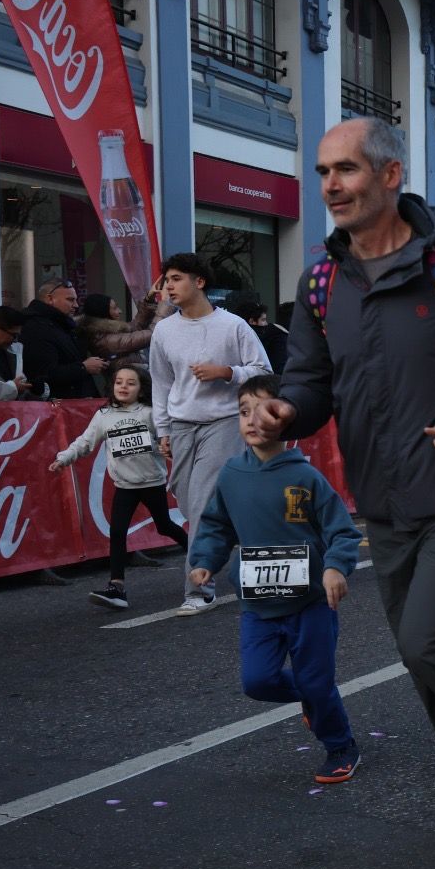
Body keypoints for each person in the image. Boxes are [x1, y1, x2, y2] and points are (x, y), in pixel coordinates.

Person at [251, 116, 435, 839]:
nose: (331, 186)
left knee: (429, 644)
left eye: (346, 170)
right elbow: (311, 382)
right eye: (323, 173)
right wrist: (286, 412)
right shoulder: (320, 282)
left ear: (390, 175)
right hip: (382, 501)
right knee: (424, 660)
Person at [191, 375, 363, 786]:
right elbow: (217, 525)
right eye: (244, 411)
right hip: (259, 604)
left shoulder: (306, 477)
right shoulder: (232, 474)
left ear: (287, 418)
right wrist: (206, 560)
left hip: (311, 604)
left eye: (264, 410)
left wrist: (335, 567)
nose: (252, 420)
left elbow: (342, 531)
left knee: (317, 680)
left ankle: (341, 746)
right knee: (258, 681)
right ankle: (313, 698)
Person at [149, 252, 272, 615]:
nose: (168, 287)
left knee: (202, 505)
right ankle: (238, 538)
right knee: (188, 503)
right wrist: (163, 429)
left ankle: (198, 589)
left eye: (176, 279)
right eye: (166, 281)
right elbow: (161, 383)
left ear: (199, 282)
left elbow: (263, 370)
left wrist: (227, 372)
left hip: (223, 421)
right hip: (182, 424)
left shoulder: (233, 326)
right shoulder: (164, 330)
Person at [50, 363, 188, 609]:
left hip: (152, 482)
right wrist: (64, 458)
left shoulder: (150, 413)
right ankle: (116, 587)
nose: (124, 387)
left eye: (131, 383)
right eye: (119, 382)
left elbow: (168, 441)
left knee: (164, 525)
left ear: (141, 389)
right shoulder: (104, 415)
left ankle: (200, 556)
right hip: (124, 485)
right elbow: (85, 442)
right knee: (117, 532)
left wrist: (160, 446)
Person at [21, 278, 104, 399]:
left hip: (74, 401)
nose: (76, 305)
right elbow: (43, 373)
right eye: (70, 300)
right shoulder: (36, 328)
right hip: (59, 405)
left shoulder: (62, 325)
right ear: (50, 299)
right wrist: (83, 368)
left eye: (75, 300)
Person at [77, 292, 156, 367]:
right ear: (104, 314)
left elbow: (135, 327)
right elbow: (147, 335)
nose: (120, 311)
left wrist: (149, 300)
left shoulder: (106, 332)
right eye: (114, 308)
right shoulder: (105, 340)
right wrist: (163, 308)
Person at [229, 299, 289, 373]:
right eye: (263, 320)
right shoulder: (275, 336)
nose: (266, 323)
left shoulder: (233, 337)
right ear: (252, 321)